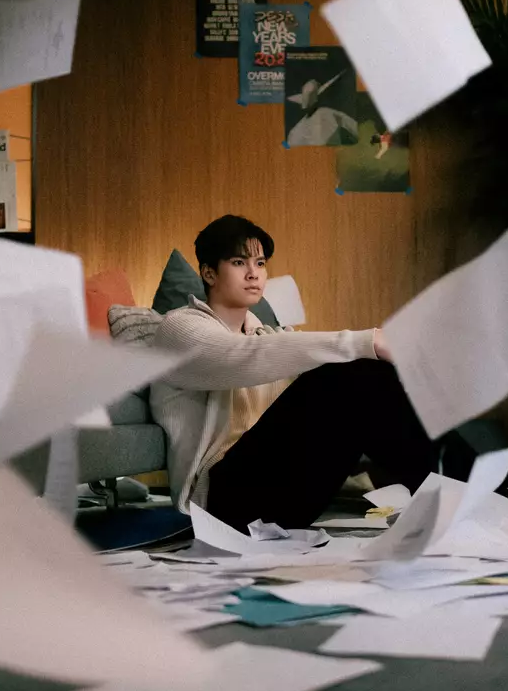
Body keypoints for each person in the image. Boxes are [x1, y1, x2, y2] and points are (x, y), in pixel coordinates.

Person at [151, 214, 471, 531]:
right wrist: (368, 340)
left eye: (260, 264)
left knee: (370, 374)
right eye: (238, 263)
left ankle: (460, 494)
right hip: (220, 503)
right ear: (208, 272)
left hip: (283, 493)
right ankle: (458, 491)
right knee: (352, 371)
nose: (253, 274)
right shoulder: (179, 328)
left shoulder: (270, 336)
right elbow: (239, 357)